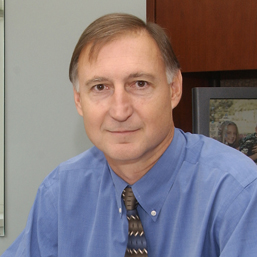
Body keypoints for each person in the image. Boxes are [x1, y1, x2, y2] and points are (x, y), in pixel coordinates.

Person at [2, 13, 257, 257]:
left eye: (140, 84)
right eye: (100, 87)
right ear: (79, 101)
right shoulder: (60, 192)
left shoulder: (238, 193)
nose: (120, 110)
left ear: (174, 89)